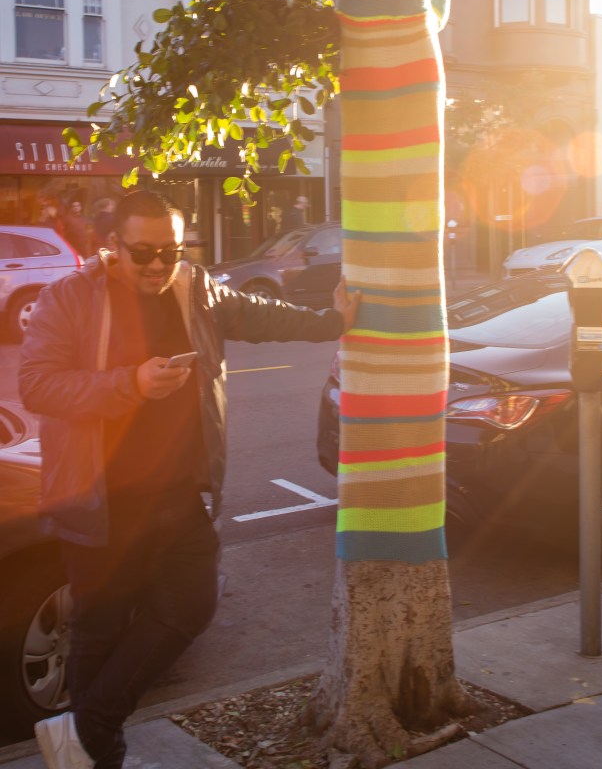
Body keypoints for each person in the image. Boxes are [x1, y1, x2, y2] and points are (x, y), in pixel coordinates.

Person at [19, 189, 360, 769]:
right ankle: (98, 752)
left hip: (179, 491)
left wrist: (331, 320)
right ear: (113, 246)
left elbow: (257, 315)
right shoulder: (68, 298)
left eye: (170, 251)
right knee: (99, 629)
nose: (157, 264)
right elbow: (38, 386)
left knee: (192, 603)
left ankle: (86, 729)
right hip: (102, 499)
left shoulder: (193, 285)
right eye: (144, 251)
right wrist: (129, 383)